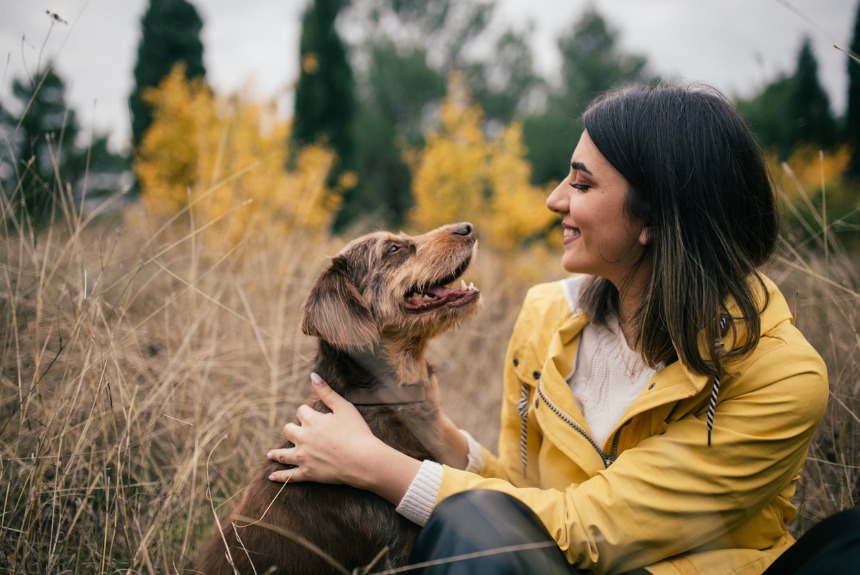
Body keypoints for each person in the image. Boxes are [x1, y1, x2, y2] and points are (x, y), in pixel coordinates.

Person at [266, 84, 854, 574]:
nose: (553, 200)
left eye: (581, 183)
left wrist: (378, 468)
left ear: (655, 216)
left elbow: (588, 525)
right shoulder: (547, 317)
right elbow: (525, 503)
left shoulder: (782, 377)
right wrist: (444, 437)